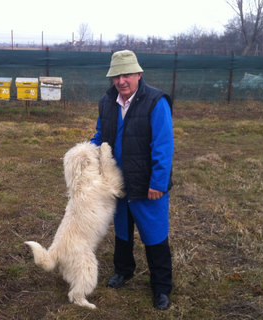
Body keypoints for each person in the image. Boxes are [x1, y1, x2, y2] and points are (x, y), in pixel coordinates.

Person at [91, 50, 174, 310]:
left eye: (126, 74)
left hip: (147, 184)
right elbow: (99, 136)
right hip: (116, 182)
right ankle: (123, 270)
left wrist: (158, 183)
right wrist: (85, 157)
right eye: (116, 75)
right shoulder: (107, 102)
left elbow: (163, 144)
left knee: (155, 234)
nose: (121, 80)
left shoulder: (155, 101)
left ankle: (161, 287)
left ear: (139, 74)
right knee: (123, 231)